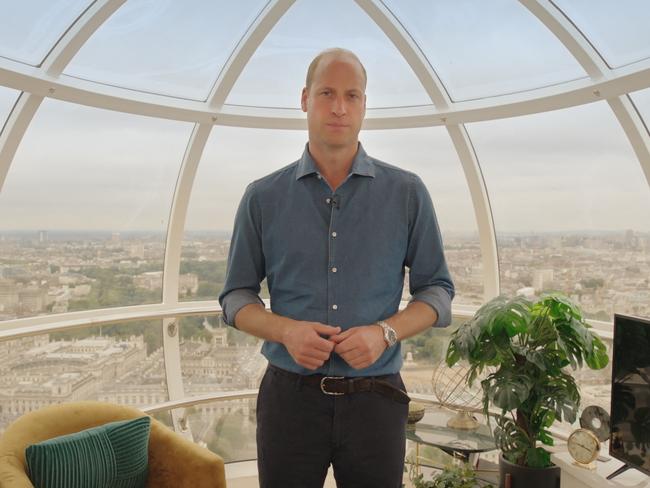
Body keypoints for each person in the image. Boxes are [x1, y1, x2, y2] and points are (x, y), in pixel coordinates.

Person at [218, 48, 454, 488]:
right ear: (305, 99)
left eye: (352, 95)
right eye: (327, 93)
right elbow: (235, 297)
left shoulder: (407, 193)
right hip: (290, 400)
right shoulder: (262, 197)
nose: (340, 107)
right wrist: (285, 331)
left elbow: (437, 291)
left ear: (364, 104)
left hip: (377, 399)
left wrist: (384, 333)